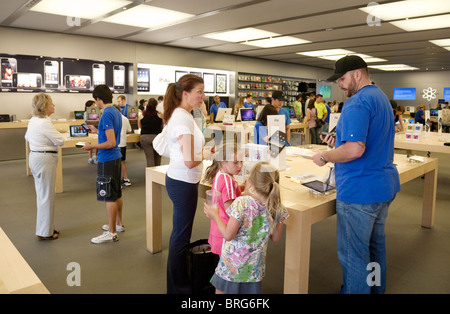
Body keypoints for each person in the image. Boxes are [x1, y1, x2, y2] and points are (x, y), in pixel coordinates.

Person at [312, 55, 400, 294]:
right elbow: (365, 141)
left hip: (360, 190)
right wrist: (336, 143)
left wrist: (324, 156)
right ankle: (375, 290)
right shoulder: (381, 98)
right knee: (374, 249)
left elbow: (355, 148)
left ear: (357, 74)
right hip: (383, 186)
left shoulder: (357, 102)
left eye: (342, 79)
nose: (338, 84)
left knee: (354, 255)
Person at [204, 162, 288, 294]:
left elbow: (228, 234)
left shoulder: (242, 203)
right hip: (254, 270)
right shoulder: (277, 207)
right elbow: (276, 238)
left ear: (251, 183)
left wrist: (215, 215)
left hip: (232, 268)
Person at [164, 74, 212, 294]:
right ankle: (178, 288)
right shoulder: (182, 118)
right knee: (181, 238)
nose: (203, 96)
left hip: (183, 180)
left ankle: (179, 285)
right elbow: (191, 160)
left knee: (180, 235)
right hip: (183, 182)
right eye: (199, 91)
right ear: (185, 94)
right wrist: (208, 153)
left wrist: (204, 151)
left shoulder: (184, 115)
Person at [82, 85, 124, 243]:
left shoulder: (106, 113)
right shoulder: (115, 111)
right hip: (115, 158)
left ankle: (111, 232)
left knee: (109, 196)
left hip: (107, 158)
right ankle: (118, 224)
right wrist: (97, 131)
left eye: (96, 100)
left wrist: (91, 146)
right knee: (116, 193)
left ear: (99, 99)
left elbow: (111, 142)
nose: (95, 103)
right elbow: (110, 136)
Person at [25, 93, 65, 240]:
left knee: (42, 195)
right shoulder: (44, 123)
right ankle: (45, 233)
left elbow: (27, 138)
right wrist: (60, 136)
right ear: (45, 106)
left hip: (35, 157)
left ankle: (45, 228)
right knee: (46, 197)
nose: (53, 106)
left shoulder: (34, 120)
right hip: (45, 159)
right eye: (51, 104)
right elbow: (60, 141)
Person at [203, 143, 244, 256]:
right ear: (223, 162)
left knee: (223, 267)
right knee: (228, 268)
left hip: (218, 229)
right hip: (226, 231)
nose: (240, 166)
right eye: (235, 162)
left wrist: (239, 189)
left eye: (241, 161)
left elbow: (224, 197)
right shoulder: (227, 181)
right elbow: (232, 211)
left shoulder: (220, 175)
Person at [139, 98, 163, 167]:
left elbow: (140, 126)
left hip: (145, 138)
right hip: (157, 138)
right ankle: (157, 175)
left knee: (150, 159)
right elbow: (161, 127)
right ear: (156, 105)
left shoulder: (142, 114)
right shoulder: (159, 114)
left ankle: (150, 176)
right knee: (157, 158)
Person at [113, 105, 132, 187]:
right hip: (123, 143)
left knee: (114, 163)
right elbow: (129, 131)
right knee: (121, 162)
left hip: (115, 144)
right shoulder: (125, 118)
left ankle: (116, 182)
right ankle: (126, 179)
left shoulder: (113, 119)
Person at [84, 100, 98, 164]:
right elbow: (86, 122)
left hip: (96, 129)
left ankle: (96, 156)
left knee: (96, 143)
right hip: (89, 129)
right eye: (93, 105)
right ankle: (90, 157)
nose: (94, 106)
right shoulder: (85, 113)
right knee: (89, 143)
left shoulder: (97, 113)